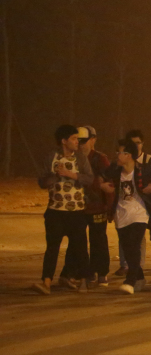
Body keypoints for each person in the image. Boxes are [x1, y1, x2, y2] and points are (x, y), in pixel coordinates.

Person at [33, 125, 94, 294]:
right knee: (52, 248)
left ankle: (83, 281)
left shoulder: (80, 158)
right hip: (55, 211)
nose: (77, 142)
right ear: (64, 141)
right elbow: (42, 182)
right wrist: (56, 176)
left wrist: (71, 175)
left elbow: (90, 179)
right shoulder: (51, 157)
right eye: (74, 138)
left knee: (80, 248)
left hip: (76, 211)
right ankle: (46, 282)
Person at [104, 138, 151, 294]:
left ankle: (129, 281)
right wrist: (103, 185)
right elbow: (100, 176)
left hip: (139, 214)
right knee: (128, 249)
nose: (117, 155)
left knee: (134, 245)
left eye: (120, 152)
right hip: (121, 214)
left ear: (128, 155)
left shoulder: (144, 169)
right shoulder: (115, 170)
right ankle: (139, 278)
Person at [79, 126, 112, 288]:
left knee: (98, 240)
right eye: (78, 141)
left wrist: (110, 207)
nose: (81, 145)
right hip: (78, 207)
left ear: (93, 140)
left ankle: (102, 273)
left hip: (97, 206)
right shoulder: (73, 158)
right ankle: (86, 272)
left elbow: (110, 182)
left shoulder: (100, 159)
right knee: (79, 242)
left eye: (84, 141)